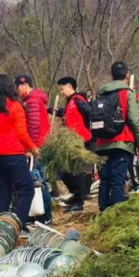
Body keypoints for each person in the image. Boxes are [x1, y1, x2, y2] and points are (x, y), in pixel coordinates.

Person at [0, 74, 39, 230]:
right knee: (27, 189)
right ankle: (17, 226)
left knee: (3, 193)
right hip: (14, 155)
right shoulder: (15, 106)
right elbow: (21, 134)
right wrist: (33, 148)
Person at [94, 61, 139, 211]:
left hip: (102, 142)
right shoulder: (127, 92)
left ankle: (103, 211)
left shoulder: (101, 93)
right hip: (122, 142)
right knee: (118, 180)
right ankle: (115, 214)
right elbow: (134, 120)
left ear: (111, 75)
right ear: (127, 75)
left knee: (105, 180)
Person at [15, 75, 52, 225]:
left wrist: (31, 147)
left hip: (37, 146)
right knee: (37, 179)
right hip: (37, 145)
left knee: (38, 181)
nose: (17, 92)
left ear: (24, 85)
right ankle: (41, 214)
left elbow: (34, 127)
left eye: (17, 88)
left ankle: (45, 216)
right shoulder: (32, 100)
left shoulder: (33, 101)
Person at [56, 77, 94, 213]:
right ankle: (77, 195)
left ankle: (79, 200)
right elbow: (67, 114)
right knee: (65, 169)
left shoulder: (78, 99)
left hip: (81, 141)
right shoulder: (70, 102)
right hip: (72, 142)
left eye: (62, 89)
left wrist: (86, 131)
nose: (61, 92)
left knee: (74, 170)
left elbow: (89, 112)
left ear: (70, 87)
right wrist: (52, 110)